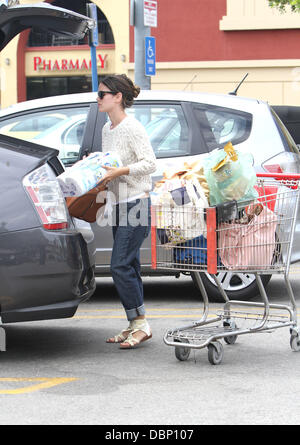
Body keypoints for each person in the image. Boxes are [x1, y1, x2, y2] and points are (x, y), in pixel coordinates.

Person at [97, 74, 157, 349]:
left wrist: (121, 171)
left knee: (119, 265)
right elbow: (109, 162)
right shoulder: (107, 129)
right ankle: (135, 323)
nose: (97, 99)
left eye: (102, 94)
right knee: (129, 266)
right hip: (118, 203)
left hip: (137, 203)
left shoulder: (133, 128)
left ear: (117, 97)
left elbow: (150, 163)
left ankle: (141, 324)